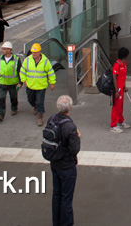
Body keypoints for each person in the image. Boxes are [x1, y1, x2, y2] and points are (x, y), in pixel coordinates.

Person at [49, 95, 81, 226]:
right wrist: (77, 137)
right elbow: (74, 149)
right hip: (67, 166)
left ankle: (56, 222)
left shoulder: (52, 119)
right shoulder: (70, 126)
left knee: (56, 194)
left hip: (54, 162)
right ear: (70, 108)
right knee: (66, 197)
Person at [21, 43, 56, 126]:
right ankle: (35, 106)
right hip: (30, 85)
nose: (34, 54)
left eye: (36, 52)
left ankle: (40, 116)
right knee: (30, 99)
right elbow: (22, 71)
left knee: (40, 101)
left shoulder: (45, 61)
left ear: (40, 51)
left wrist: (52, 83)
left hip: (41, 85)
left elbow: (50, 72)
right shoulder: (27, 60)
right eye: (33, 52)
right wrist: (23, 80)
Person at [0, 41, 23, 122]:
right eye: (2, 49)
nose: (2, 50)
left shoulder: (16, 60)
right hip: (2, 83)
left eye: (4, 49)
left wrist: (20, 82)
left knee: (13, 97)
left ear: (9, 50)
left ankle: (14, 108)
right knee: (1, 98)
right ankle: (0, 114)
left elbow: (20, 71)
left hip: (13, 83)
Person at [110, 47, 130, 133]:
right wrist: (116, 91)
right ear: (125, 55)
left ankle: (120, 121)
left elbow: (123, 77)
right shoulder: (117, 65)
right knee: (116, 107)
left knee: (120, 106)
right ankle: (113, 126)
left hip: (121, 88)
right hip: (117, 89)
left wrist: (124, 87)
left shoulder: (124, 63)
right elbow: (114, 78)